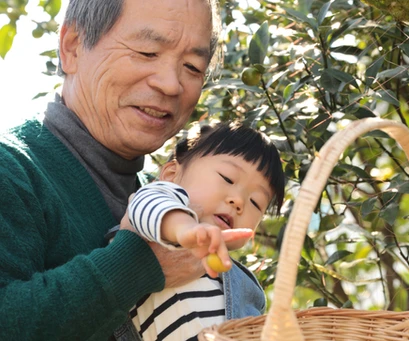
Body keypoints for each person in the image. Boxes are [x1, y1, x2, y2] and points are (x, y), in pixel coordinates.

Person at [0, 0, 253, 340]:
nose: (171, 85)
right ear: (72, 46)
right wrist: (138, 264)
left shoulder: (164, 203)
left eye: (192, 67)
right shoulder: (12, 169)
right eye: (148, 52)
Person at [123, 122, 285, 340]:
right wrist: (183, 228)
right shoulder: (158, 217)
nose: (238, 202)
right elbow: (146, 203)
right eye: (227, 178)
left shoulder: (245, 286)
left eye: (256, 202)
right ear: (172, 174)